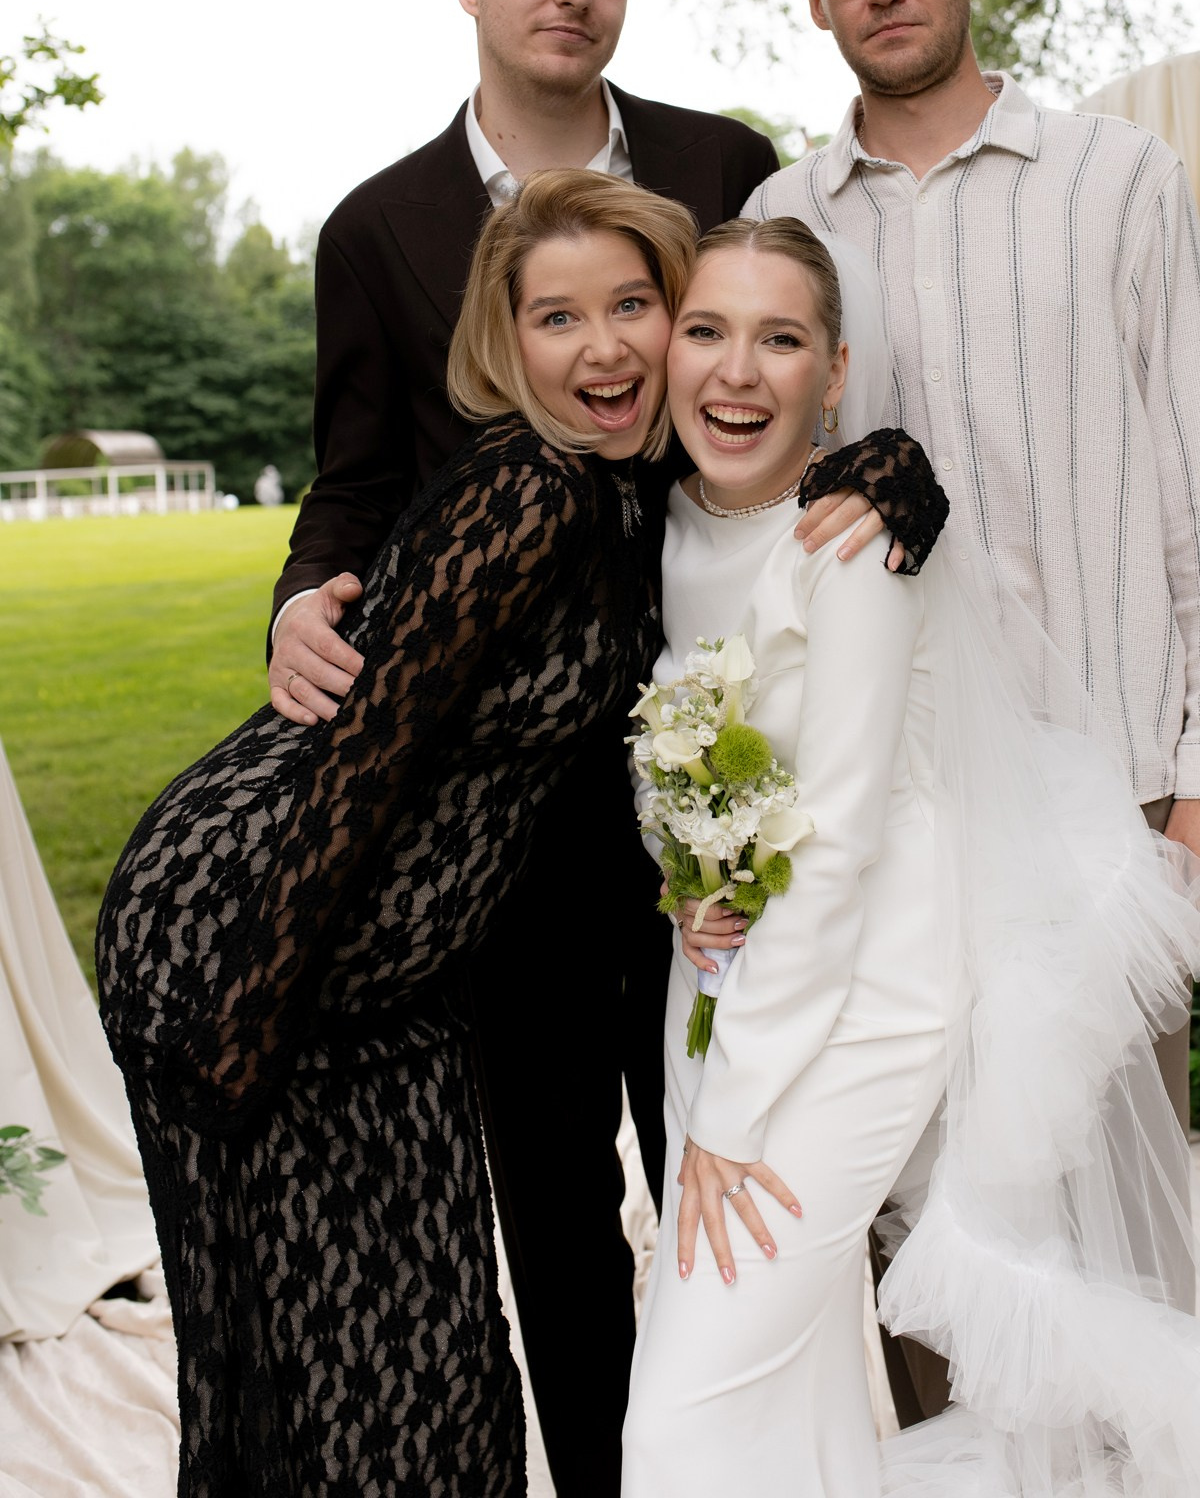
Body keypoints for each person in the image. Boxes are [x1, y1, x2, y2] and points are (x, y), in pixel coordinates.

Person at [96, 174, 934, 1498]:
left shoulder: (640, 486)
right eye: (557, 317)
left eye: (633, 307)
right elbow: (366, 759)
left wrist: (890, 467)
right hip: (255, 927)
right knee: (308, 1348)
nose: (603, 348)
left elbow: (757, 499)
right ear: (508, 339)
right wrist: (248, 1022)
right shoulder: (530, 487)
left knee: (422, 1356)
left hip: (391, 970)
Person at [622, 218, 1200, 1498]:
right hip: (722, 994)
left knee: (678, 1417)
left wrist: (731, 1111)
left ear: (835, 372)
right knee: (789, 1393)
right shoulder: (669, 525)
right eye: (708, 329)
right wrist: (687, 881)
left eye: (782, 339)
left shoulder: (853, 548)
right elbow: (686, 741)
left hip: (865, 1002)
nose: (737, 370)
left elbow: (837, 846)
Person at [261, 0, 786, 1493]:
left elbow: (780, 381)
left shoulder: (722, 166)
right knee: (554, 1202)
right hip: (502, 811)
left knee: (734, 1163)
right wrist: (298, 598)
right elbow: (356, 475)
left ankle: (746, 1461)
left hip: (715, 756)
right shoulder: (379, 227)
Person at [745, 0, 1200, 1416]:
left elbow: (1199, 474)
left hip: (1109, 771)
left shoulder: (1121, 177)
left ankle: (1146, 1467)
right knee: (923, 1217)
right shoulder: (781, 217)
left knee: (1117, 1200)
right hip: (895, 794)